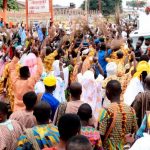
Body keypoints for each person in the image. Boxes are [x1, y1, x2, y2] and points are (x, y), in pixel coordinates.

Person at [98, 80, 138, 149]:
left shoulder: (106, 111)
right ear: (121, 91)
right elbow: (134, 131)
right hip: (126, 148)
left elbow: (101, 134)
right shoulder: (131, 110)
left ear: (107, 92)